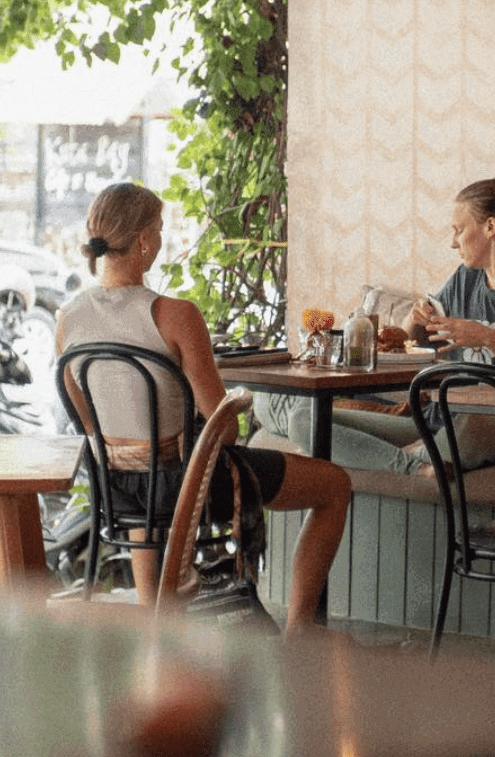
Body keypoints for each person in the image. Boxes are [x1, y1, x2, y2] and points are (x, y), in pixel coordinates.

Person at [55, 182, 350, 633]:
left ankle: (159, 630)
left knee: (149, 487)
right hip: (185, 485)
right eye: (159, 229)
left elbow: (88, 422)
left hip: (117, 490)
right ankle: (299, 636)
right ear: (144, 242)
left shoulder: (68, 320)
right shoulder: (175, 315)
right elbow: (223, 430)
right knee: (334, 485)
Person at [286, 178, 495, 473]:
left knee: (472, 423)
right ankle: (414, 467)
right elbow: (410, 344)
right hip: (436, 419)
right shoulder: (464, 280)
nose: (453, 242)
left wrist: (490, 339)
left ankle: (421, 457)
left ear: (490, 227)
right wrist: (415, 319)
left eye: (459, 230)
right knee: (304, 418)